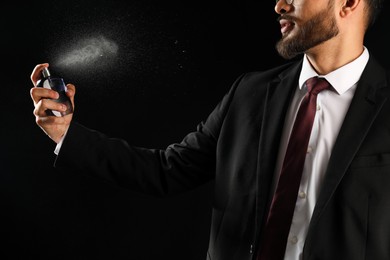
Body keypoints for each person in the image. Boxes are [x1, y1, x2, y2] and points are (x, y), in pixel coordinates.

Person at [30, 0, 389, 259]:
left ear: (349, 3)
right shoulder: (248, 94)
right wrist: (66, 132)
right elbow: (165, 172)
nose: (279, 5)